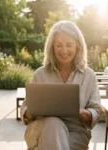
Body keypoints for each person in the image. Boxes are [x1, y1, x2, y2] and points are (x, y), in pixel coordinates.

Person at [20, 20, 102, 150]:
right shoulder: (40, 74)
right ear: (52, 47)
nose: (64, 51)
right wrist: (32, 111)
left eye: (69, 45)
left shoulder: (89, 75)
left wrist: (78, 111)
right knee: (53, 124)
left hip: (75, 133)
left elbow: (97, 111)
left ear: (77, 46)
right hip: (39, 129)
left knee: (54, 142)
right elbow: (26, 111)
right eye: (59, 45)